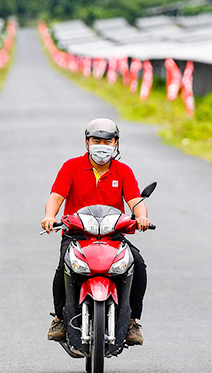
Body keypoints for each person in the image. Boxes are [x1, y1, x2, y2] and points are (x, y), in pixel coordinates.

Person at [41, 117, 150, 345]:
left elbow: (134, 200)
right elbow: (56, 196)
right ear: (87, 142)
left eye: (107, 141)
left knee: (137, 265)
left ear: (116, 144)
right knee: (64, 267)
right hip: (77, 235)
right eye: (96, 140)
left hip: (113, 235)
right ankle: (60, 318)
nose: (102, 145)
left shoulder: (123, 171)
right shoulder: (71, 167)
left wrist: (142, 218)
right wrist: (50, 216)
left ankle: (132, 321)